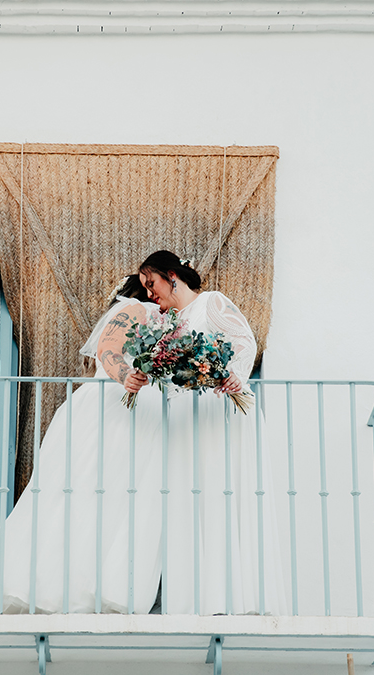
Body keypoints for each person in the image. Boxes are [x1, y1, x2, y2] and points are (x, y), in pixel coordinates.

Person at [0, 275, 168, 614]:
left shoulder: (152, 315)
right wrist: (127, 377)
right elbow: (108, 349)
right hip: (116, 409)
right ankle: (74, 589)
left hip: (125, 410)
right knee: (94, 493)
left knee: (105, 497)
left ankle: (86, 587)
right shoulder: (139, 309)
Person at [133, 250, 287, 616]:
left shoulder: (211, 303)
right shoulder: (165, 323)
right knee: (189, 499)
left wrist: (232, 375)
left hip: (217, 409)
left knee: (220, 493)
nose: (149, 294)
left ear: (172, 276)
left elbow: (245, 341)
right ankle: (192, 597)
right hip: (185, 417)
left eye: (151, 283)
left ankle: (229, 597)